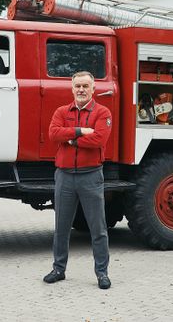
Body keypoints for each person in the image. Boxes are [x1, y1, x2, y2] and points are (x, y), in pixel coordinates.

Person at [43, 71, 113, 289]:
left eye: (85, 86)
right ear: (72, 89)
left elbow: (99, 139)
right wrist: (80, 131)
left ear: (94, 89)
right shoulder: (61, 111)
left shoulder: (103, 112)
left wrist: (71, 140)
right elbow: (54, 134)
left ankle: (102, 273)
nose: (81, 90)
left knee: (98, 228)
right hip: (64, 176)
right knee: (61, 227)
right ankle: (58, 269)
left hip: (90, 176)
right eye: (77, 86)